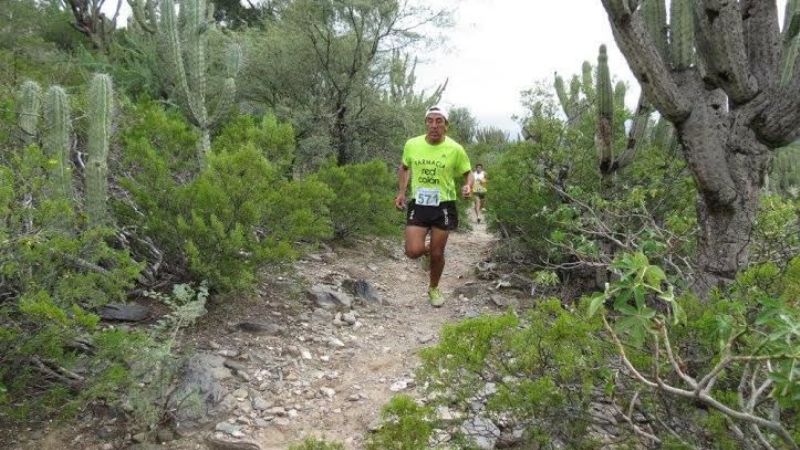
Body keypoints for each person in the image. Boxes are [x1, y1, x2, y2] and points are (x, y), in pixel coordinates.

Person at [394, 105, 473, 307]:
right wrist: (402, 192)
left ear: (446, 125)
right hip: (419, 203)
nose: (434, 125)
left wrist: (468, 186)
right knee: (412, 251)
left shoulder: (455, 149)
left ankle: (434, 288)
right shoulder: (412, 144)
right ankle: (430, 248)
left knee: (438, 254)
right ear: (426, 124)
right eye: (430, 121)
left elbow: (468, 172)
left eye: (439, 121)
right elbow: (404, 168)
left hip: (443, 205)